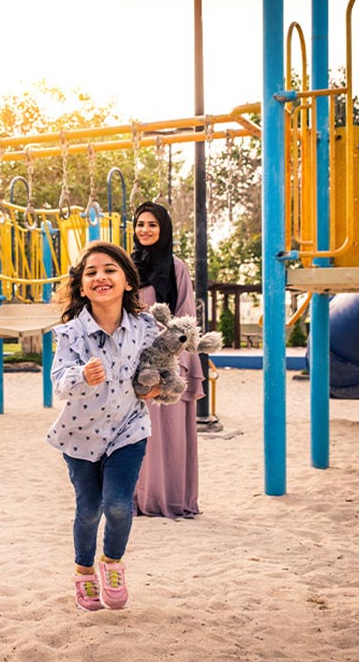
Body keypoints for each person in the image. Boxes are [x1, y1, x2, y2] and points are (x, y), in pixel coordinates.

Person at [46, 241, 161, 611]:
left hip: (128, 429)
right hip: (79, 437)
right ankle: (83, 571)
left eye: (110, 269)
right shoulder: (70, 334)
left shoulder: (145, 327)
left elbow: (162, 364)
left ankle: (111, 564)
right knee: (89, 509)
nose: (100, 277)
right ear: (82, 287)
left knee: (117, 505)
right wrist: (82, 375)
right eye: (91, 272)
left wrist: (158, 385)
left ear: (128, 281)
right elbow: (60, 380)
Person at [130, 201, 206, 519]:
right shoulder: (125, 265)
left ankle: (170, 499)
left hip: (169, 358)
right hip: (135, 360)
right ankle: (136, 497)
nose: (145, 230)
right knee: (136, 430)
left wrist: (174, 351)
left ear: (163, 230)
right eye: (140, 224)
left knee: (169, 428)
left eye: (152, 225)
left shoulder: (177, 268)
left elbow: (185, 311)